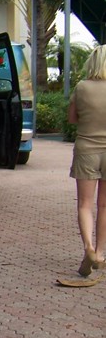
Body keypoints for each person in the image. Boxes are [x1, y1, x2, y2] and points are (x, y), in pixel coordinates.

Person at [68, 44, 106, 276]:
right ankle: (100, 254)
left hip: (86, 150)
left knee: (85, 203)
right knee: (104, 204)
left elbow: (72, 118)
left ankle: (88, 248)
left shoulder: (81, 87)